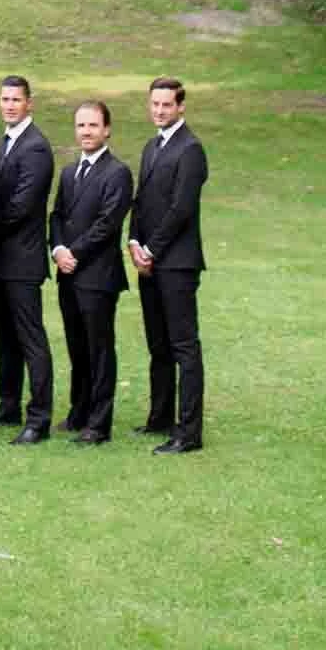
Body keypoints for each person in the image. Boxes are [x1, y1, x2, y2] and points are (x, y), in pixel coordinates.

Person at [130, 75, 208, 453]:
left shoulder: (191, 150)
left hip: (176, 264)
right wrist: (133, 242)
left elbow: (181, 209)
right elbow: (141, 201)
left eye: (167, 105)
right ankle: (159, 418)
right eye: (155, 104)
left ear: (181, 107)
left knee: (183, 347)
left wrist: (151, 250)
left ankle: (189, 432)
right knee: (157, 345)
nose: (160, 110)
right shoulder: (151, 147)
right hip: (149, 261)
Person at [49, 98, 132, 444]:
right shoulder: (69, 172)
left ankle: (99, 424)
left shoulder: (118, 173)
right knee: (76, 348)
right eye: (81, 125)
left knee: (99, 349)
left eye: (93, 125)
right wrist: (57, 250)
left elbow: (108, 224)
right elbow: (56, 216)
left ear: (107, 129)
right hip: (68, 274)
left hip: (98, 276)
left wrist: (74, 252)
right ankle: (78, 412)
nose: (86, 131)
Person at [0, 72, 56, 443]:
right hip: (1, 259)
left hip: (23, 260)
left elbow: (19, 208)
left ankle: (39, 418)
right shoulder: (8, 142)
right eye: (4, 99)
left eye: (16, 100)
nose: (9, 105)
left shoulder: (35, 148)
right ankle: (8, 406)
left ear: (29, 103)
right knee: (5, 337)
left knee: (30, 338)